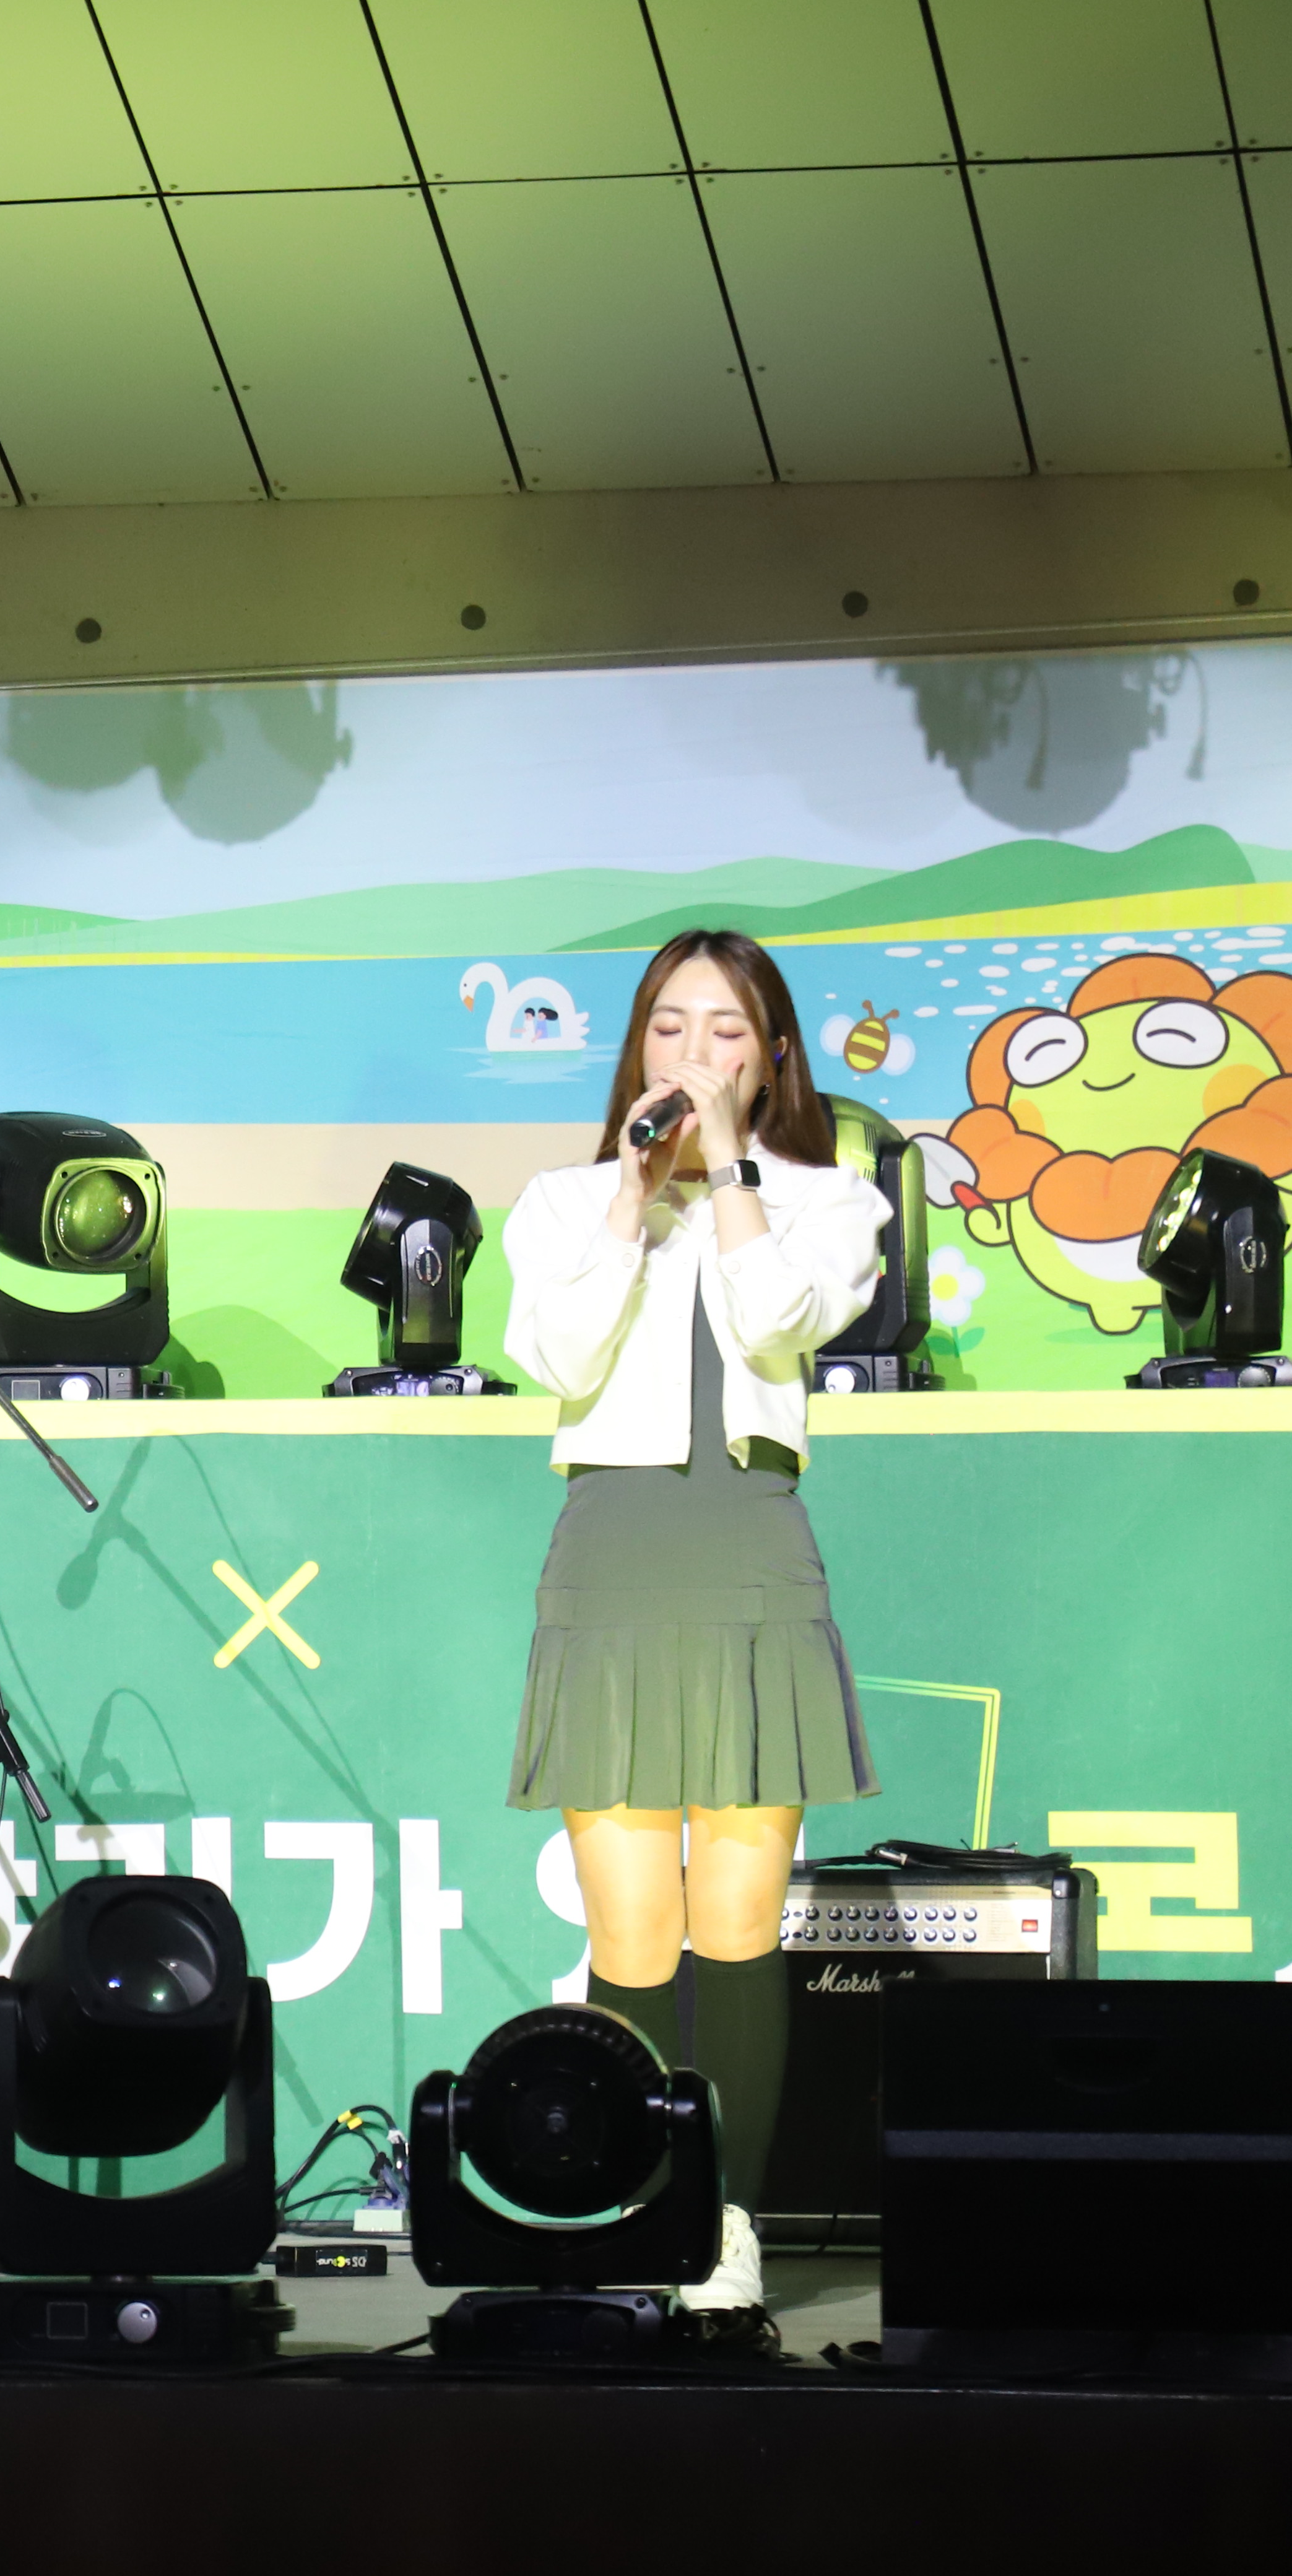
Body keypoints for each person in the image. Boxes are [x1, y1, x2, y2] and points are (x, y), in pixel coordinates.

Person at [500, 929, 887, 2352]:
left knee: (736, 1925)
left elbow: (782, 1319)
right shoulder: (561, 1200)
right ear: (637, 1045)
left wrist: (725, 1171)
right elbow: (557, 1357)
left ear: (771, 1056)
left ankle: (725, 2226)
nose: (695, 1053)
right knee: (630, 1930)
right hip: (611, 1559)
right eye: (672, 1026)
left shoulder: (830, 1199)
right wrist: (629, 1196)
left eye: (726, 1031)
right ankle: (642, 2206)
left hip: (749, 1554)